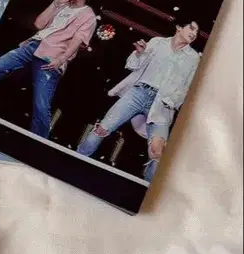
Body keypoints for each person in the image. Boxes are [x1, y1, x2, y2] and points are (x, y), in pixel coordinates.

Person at [0, 0, 101, 137]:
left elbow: (77, 41)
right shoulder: (63, 3)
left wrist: (61, 59)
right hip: (32, 45)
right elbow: (39, 24)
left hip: (51, 57)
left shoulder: (88, 16)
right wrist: (56, 3)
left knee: (41, 104)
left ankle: (38, 142)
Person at [77, 18, 201, 181]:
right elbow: (132, 65)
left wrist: (172, 102)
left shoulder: (193, 58)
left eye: (196, 31)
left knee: (157, 151)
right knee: (102, 129)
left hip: (162, 104)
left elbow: (187, 87)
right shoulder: (157, 42)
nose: (194, 33)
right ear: (179, 27)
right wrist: (139, 53)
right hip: (139, 93)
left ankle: (146, 190)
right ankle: (76, 160)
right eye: (191, 28)